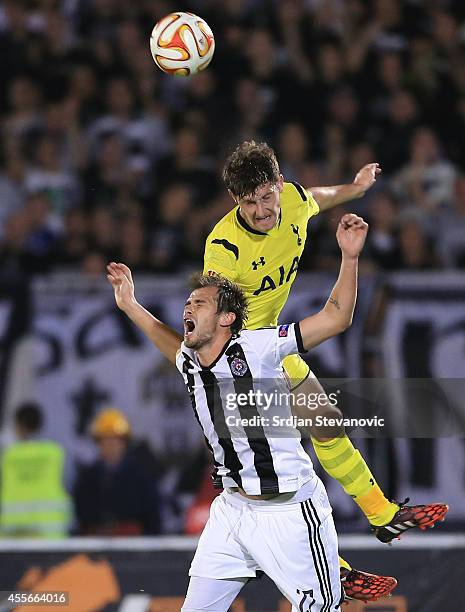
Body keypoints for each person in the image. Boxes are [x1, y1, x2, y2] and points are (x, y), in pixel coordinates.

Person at [202, 141, 448, 598]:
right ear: (236, 201)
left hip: (272, 345)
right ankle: (332, 567)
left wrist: (354, 189)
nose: (260, 210)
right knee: (279, 476)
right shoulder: (222, 249)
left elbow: (317, 196)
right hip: (239, 360)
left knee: (328, 426)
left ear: (277, 185)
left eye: (265, 196)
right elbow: (207, 318)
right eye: (249, 202)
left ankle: (381, 514)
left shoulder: (292, 201)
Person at [107, 213, 388, 610]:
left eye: (199, 303)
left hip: (290, 510)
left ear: (226, 319)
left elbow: (335, 318)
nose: (188, 308)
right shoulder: (189, 360)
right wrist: (130, 304)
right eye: (188, 302)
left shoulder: (259, 348)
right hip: (232, 512)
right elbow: (165, 338)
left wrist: (350, 258)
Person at [73, 408, 161, 535]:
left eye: (116, 440)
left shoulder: (140, 477)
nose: (111, 446)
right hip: (97, 544)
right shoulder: (88, 478)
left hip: (133, 544)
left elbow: (152, 517)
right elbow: (82, 517)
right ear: (98, 444)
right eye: (105, 440)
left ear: (124, 443)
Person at [0, 402, 71, 538]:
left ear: (18, 426)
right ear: (41, 425)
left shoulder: (7, 456)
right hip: (48, 537)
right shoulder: (56, 454)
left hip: (11, 536)